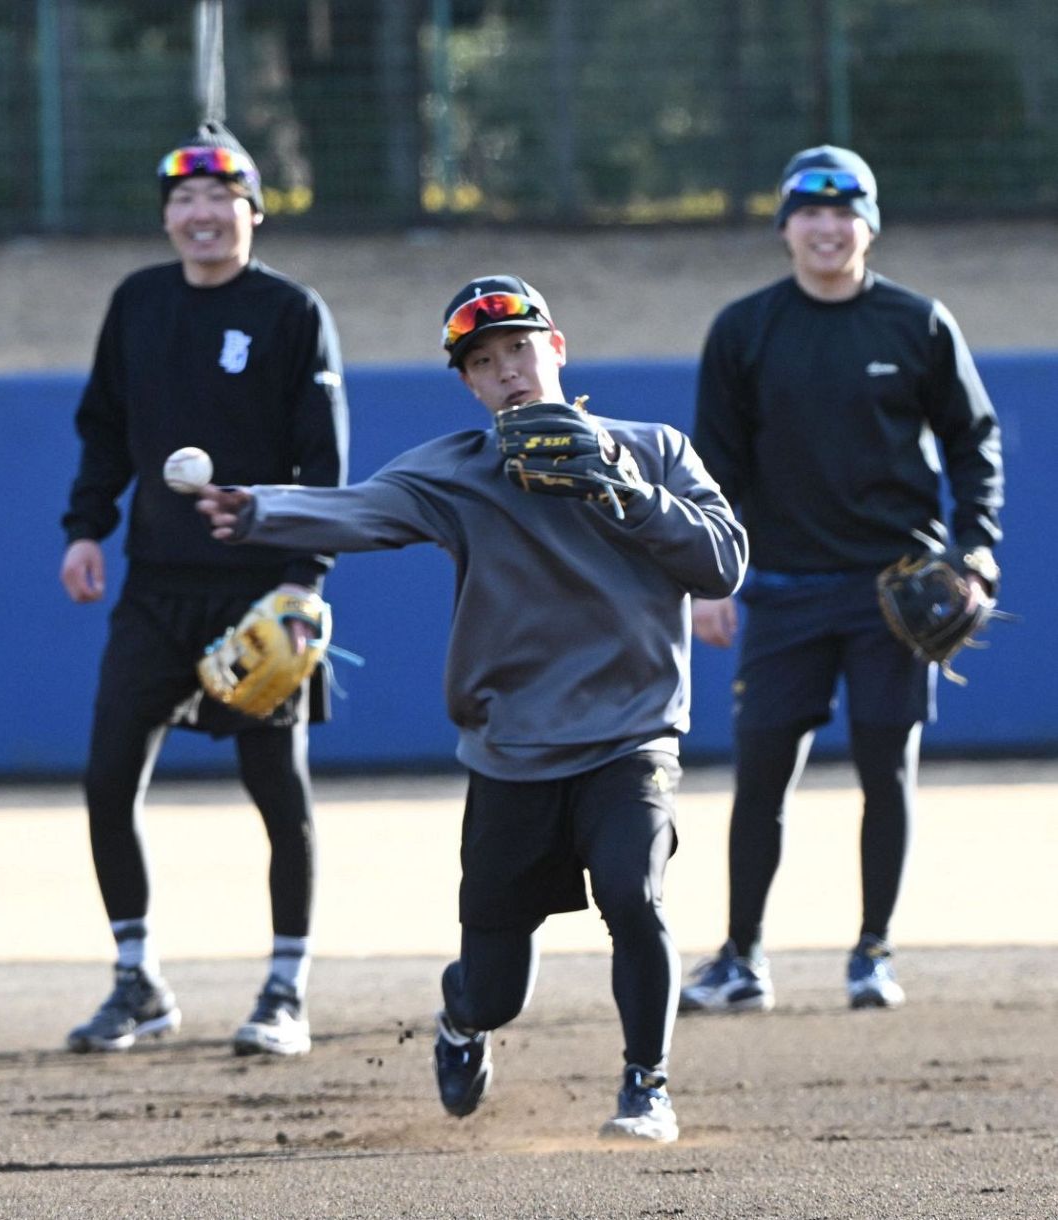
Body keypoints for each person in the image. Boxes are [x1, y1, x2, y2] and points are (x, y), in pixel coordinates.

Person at [195, 274, 748, 1141]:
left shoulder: (654, 448)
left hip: (632, 738)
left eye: (519, 349)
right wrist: (259, 509)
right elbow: (363, 511)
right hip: (511, 751)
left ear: (555, 348)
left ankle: (647, 1086)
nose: (507, 372)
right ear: (468, 383)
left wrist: (622, 488)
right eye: (483, 362)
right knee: (497, 989)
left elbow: (722, 562)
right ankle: (460, 1023)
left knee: (634, 897)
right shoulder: (460, 470)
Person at [678, 145, 1003, 1015]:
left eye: (845, 209)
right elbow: (715, 467)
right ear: (785, 227)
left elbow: (976, 442)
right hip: (783, 586)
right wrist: (710, 580)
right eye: (810, 211)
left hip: (894, 592)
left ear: (868, 225)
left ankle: (872, 953)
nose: (828, 226)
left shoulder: (917, 323)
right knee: (760, 777)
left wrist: (975, 550)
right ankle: (742, 958)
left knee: (885, 770)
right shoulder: (745, 329)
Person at [59, 119, 349, 1057]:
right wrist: (84, 530)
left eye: (221, 197)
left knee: (278, 791)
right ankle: (136, 978)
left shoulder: (291, 311)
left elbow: (324, 461)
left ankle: (285, 989)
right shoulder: (138, 303)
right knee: (108, 779)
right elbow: (104, 428)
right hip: (155, 587)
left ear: (253, 212)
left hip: (258, 592)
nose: (201, 214)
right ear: (168, 217)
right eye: (183, 199)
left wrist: (304, 583)